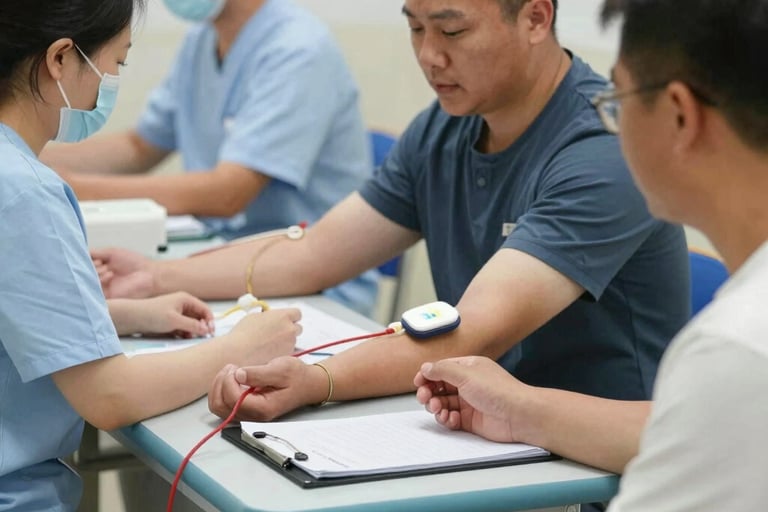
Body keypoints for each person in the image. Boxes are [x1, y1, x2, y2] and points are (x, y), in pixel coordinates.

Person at [97, 0, 689, 432]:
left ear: (536, 19)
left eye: (452, 30)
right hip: (476, 429)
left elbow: (474, 329)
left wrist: (319, 380)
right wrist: (156, 277)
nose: (430, 56)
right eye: (414, 27)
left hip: (589, 466)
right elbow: (314, 254)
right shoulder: (446, 126)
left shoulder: (599, 151)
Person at [415, 0, 768, 509]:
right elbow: (688, 427)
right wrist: (521, 409)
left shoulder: (736, 351)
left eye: (618, 102)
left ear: (678, 115)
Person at [0, 2, 301, 510]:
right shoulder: (25, 192)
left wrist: (117, 315)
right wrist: (244, 346)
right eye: (115, 64)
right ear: (59, 60)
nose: (110, 82)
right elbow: (110, 396)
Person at [40, 0, 378, 316]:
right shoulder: (202, 41)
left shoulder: (299, 50)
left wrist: (69, 187)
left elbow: (228, 193)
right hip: (216, 257)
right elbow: (139, 144)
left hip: (308, 286)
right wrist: (31, 154)